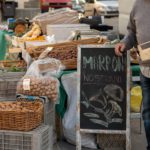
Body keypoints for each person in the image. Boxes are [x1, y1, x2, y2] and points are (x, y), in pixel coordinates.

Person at [115, 0, 150, 149]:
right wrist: (125, 43)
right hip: (146, 70)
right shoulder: (138, 5)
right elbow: (132, 32)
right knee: (148, 115)